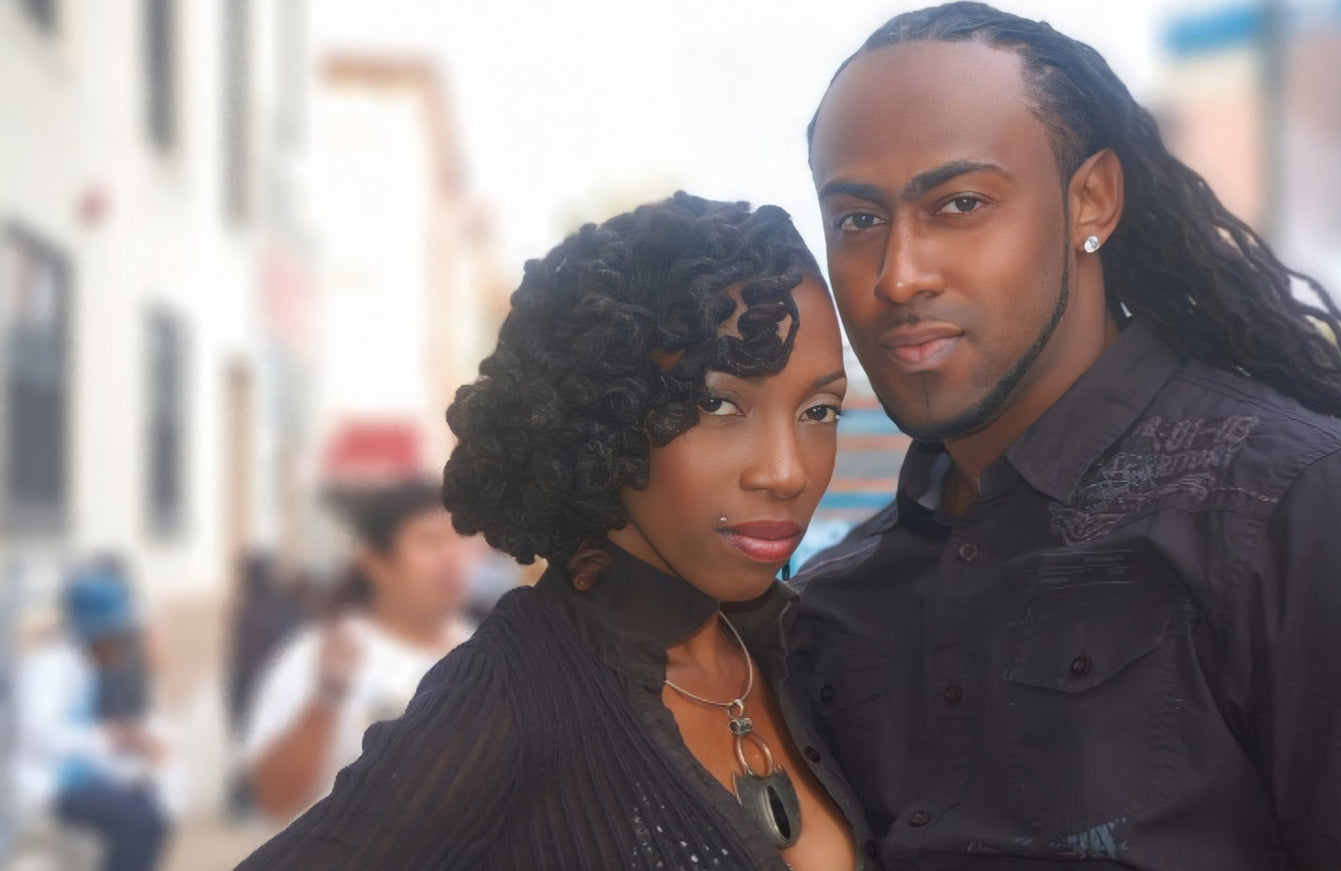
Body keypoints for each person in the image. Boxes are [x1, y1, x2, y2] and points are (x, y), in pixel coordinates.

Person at [792, 5, 1341, 871]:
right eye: (858, 220)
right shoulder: (832, 602)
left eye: (961, 203)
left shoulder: (1310, 508)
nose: (899, 273)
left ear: (1092, 198)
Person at [235, 193, 867, 870]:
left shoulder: (807, 649)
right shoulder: (514, 694)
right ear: (606, 413)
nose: (786, 471)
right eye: (717, 403)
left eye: (820, 411)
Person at [241, 480, 475, 822]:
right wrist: (326, 698)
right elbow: (272, 797)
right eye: (430, 541)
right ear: (375, 561)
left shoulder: (487, 655)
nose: (453, 558)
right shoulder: (318, 655)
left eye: (462, 540)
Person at [15, 558, 175, 871]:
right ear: (96, 631)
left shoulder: (85, 668)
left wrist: (127, 746)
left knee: (153, 810)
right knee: (136, 820)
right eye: (117, 635)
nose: (122, 645)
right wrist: (113, 737)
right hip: (49, 784)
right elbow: (40, 737)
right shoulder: (47, 667)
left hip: (79, 777)